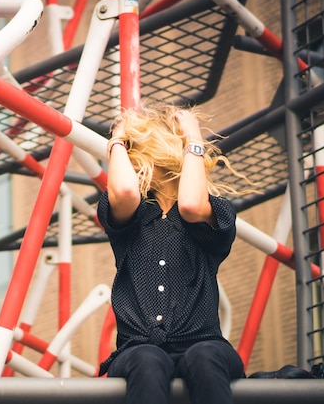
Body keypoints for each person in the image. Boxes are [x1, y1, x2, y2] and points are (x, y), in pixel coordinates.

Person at [97, 100, 249, 404]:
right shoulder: (133, 216)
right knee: (148, 360)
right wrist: (116, 138)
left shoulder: (214, 213)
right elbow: (126, 191)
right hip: (137, 349)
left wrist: (193, 138)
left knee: (204, 357)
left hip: (204, 343)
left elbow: (191, 205)